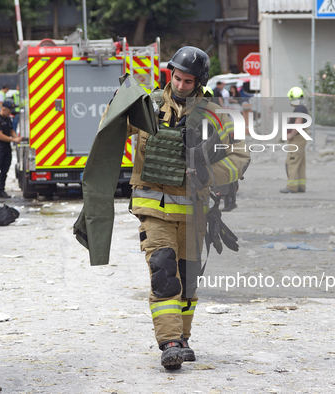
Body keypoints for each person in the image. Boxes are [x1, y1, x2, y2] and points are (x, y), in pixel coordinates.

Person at [127, 47, 250, 369]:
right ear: (170, 75)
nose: (181, 85)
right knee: (164, 273)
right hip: (153, 208)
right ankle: (168, 342)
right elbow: (109, 131)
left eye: (188, 80)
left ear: (199, 81)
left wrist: (209, 173)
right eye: (177, 78)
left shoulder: (215, 115)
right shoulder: (147, 107)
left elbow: (240, 155)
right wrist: (117, 106)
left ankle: (182, 338)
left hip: (194, 213)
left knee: (188, 280)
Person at [0, 100, 21, 199]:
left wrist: (17, 139)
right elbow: (0, 136)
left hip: (6, 149)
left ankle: (1, 190)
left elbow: (11, 130)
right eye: (9, 111)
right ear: (3, 109)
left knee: (4, 170)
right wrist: (13, 139)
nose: (10, 112)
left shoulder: (7, 119)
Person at [280, 87, 308, 194]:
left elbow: (298, 122)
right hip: (301, 138)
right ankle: (301, 186)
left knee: (292, 161)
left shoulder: (299, 109)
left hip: (297, 139)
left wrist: (291, 134)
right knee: (300, 163)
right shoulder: (303, 108)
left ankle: (292, 186)